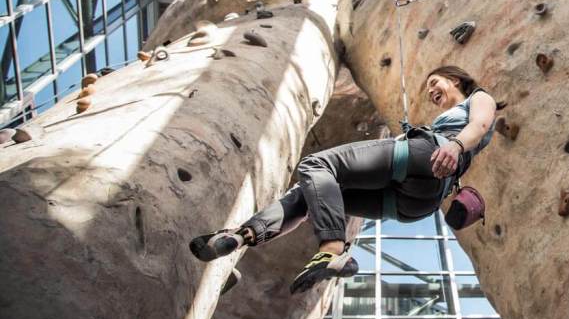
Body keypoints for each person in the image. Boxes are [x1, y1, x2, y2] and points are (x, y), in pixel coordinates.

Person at [188, 65, 497, 294]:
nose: (431, 92)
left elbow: (481, 123)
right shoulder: (449, 118)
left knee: (316, 164)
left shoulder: (480, 98)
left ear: (455, 79)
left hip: (426, 157)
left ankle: (332, 249)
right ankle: (242, 235)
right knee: (311, 194)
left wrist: (456, 146)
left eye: (434, 83)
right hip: (416, 203)